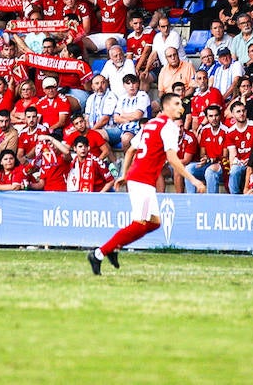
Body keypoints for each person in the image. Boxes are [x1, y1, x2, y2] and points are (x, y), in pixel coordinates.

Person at [88, 93, 205, 275]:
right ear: (166, 107)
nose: (180, 107)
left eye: (181, 104)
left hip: (140, 179)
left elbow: (130, 151)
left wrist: (124, 174)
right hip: (142, 180)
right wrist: (193, 179)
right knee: (140, 223)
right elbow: (172, 158)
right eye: (176, 104)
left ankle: (113, 248)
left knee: (154, 223)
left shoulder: (151, 124)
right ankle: (99, 253)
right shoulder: (169, 127)